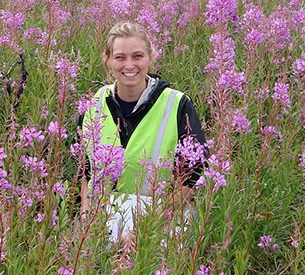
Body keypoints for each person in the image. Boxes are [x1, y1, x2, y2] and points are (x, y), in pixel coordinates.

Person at [77, 21, 207, 244]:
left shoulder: (177, 104)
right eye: (119, 57)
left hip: (164, 215)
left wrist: (143, 231)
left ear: (150, 58)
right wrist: (87, 221)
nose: (129, 65)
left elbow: (190, 182)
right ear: (107, 61)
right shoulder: (93, 105)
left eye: (137, 56)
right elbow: (86, 175)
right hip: (105, 212)